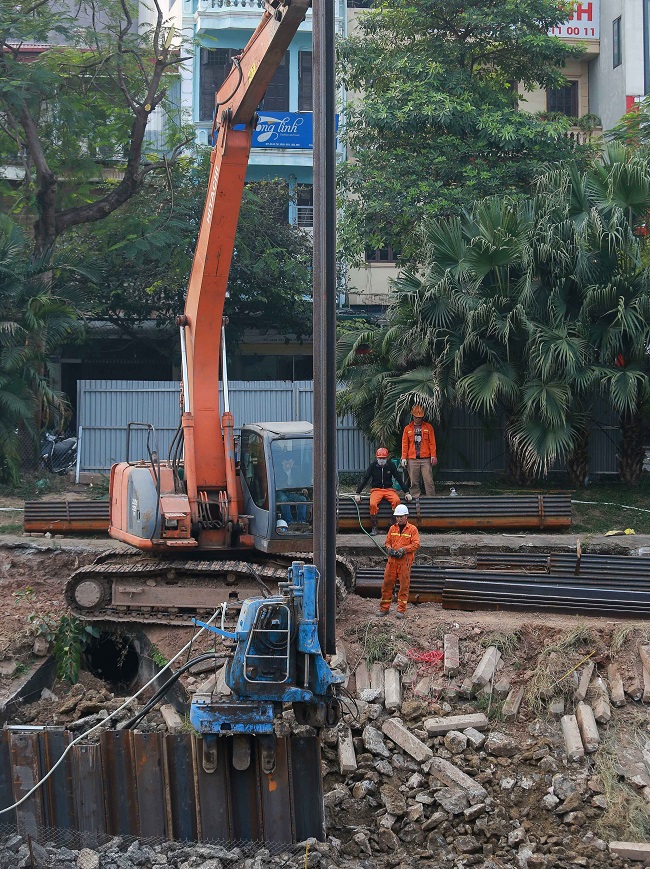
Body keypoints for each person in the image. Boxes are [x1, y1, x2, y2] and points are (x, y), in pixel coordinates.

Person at [354, 447, 412, 535]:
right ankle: (374, 526)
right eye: (380, 458)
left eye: (383, 458)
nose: (381, 460)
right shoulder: (372, 466)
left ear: (387, 458)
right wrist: (358, 493)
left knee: (397, 501)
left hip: (389, 489)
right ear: (377, 458)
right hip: (376, 490)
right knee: (373, 504)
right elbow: (365, 478)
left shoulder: (391, 465)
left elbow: (398, 478)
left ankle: (391, 525)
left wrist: (407, 492)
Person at [379, 503, 420, 618]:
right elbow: (387, 542)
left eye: (401, 516)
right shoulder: (392, 528)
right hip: (392, 562)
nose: (399, 518)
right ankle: (384, 608)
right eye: (397, 516)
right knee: (387, 585)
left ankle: (401, 610)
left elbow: (416, 544)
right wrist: (389, 549)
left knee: (403, 586)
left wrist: (404, 550)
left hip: (404, 563)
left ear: (406, 516)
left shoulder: (412, 529)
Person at [400, 404, 437, 497]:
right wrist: (404, 458)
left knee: (428, 480)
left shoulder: (428, 427)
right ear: (413, 416)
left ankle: (431, 499)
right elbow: (405, 444)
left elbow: (432, 442)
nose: (418, 419)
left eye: (420, 417)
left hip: (426, 458)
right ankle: (416, 499)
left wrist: (433, 455)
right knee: (414, 481)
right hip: (412, 458)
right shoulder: (407, 429)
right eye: (416, 417)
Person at [276, 455, 308, 524]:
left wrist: (303, 488)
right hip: (280, 492)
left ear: (293, 462)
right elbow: (278, 484)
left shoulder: (296, 471)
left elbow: (299, 482)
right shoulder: (277, 471)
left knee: (302, 499)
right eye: (286, 463)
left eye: (290, 463)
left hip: (291, 493)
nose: (288, 466)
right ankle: (289, 522)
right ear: (282, 462)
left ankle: (302, 522)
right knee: (284, 499)